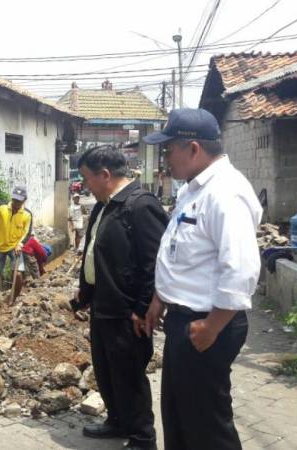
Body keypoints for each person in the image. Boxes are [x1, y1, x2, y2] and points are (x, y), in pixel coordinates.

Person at [143, 108, 262, 450]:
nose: (166, 158)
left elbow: (239, 268)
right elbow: (181, 251)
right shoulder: (193, 190)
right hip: (185, 320)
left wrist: (212, 326)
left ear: (193, 149)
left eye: (169, 149)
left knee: (207, 428)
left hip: (208, 324)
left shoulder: (225, 193)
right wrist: (159, 297)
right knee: (180, 417)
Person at [71, 147, 167, 450]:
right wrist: (85, 292)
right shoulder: (105, 205)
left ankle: (142, 437)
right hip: (103, 304)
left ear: (105, 175)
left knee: (128, 375)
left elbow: (156, 263)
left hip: (128, 312)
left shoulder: (140, 206)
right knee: (106, 369)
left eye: (87, 178)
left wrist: (142, 309)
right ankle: (117, 420)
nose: (86, 185)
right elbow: (95, 251)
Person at [0, 186, 33, 303]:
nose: (16, 203)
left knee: (19, 275)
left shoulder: (27, 214)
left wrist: (20, 244)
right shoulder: (1, 208)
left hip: (14, 247)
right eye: (15, 200)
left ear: (24, 200)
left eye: (19, 201)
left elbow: (27, 233)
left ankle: (12, 299)